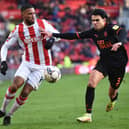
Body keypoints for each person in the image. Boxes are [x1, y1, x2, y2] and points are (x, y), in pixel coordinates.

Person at [42, 9, 128, 123]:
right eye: (93, 20)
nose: (95, 23)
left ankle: (113, 100)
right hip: (104, 62)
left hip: (118, 64)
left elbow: (122, 32)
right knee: (91, 82)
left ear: (104, 20)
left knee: (112, 92)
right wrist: (53, 34)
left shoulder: (111, 28)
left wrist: (120, 42)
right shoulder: (93, 32)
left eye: (97, 20)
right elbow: (74, 36)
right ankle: (88, 115)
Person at [0, 4, 59, 126]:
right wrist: (3, 61)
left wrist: (51, 40)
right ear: (23, 15)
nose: (33, 16)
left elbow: (57, 34)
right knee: (15, 85)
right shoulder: (18, 29)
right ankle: (2, 109)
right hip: (27, 63)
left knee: (25, 92)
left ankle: (9, 115)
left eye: (34, 13)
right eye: (30, 14)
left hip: (43, 67)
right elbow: (5, 46)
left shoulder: (43, 23)